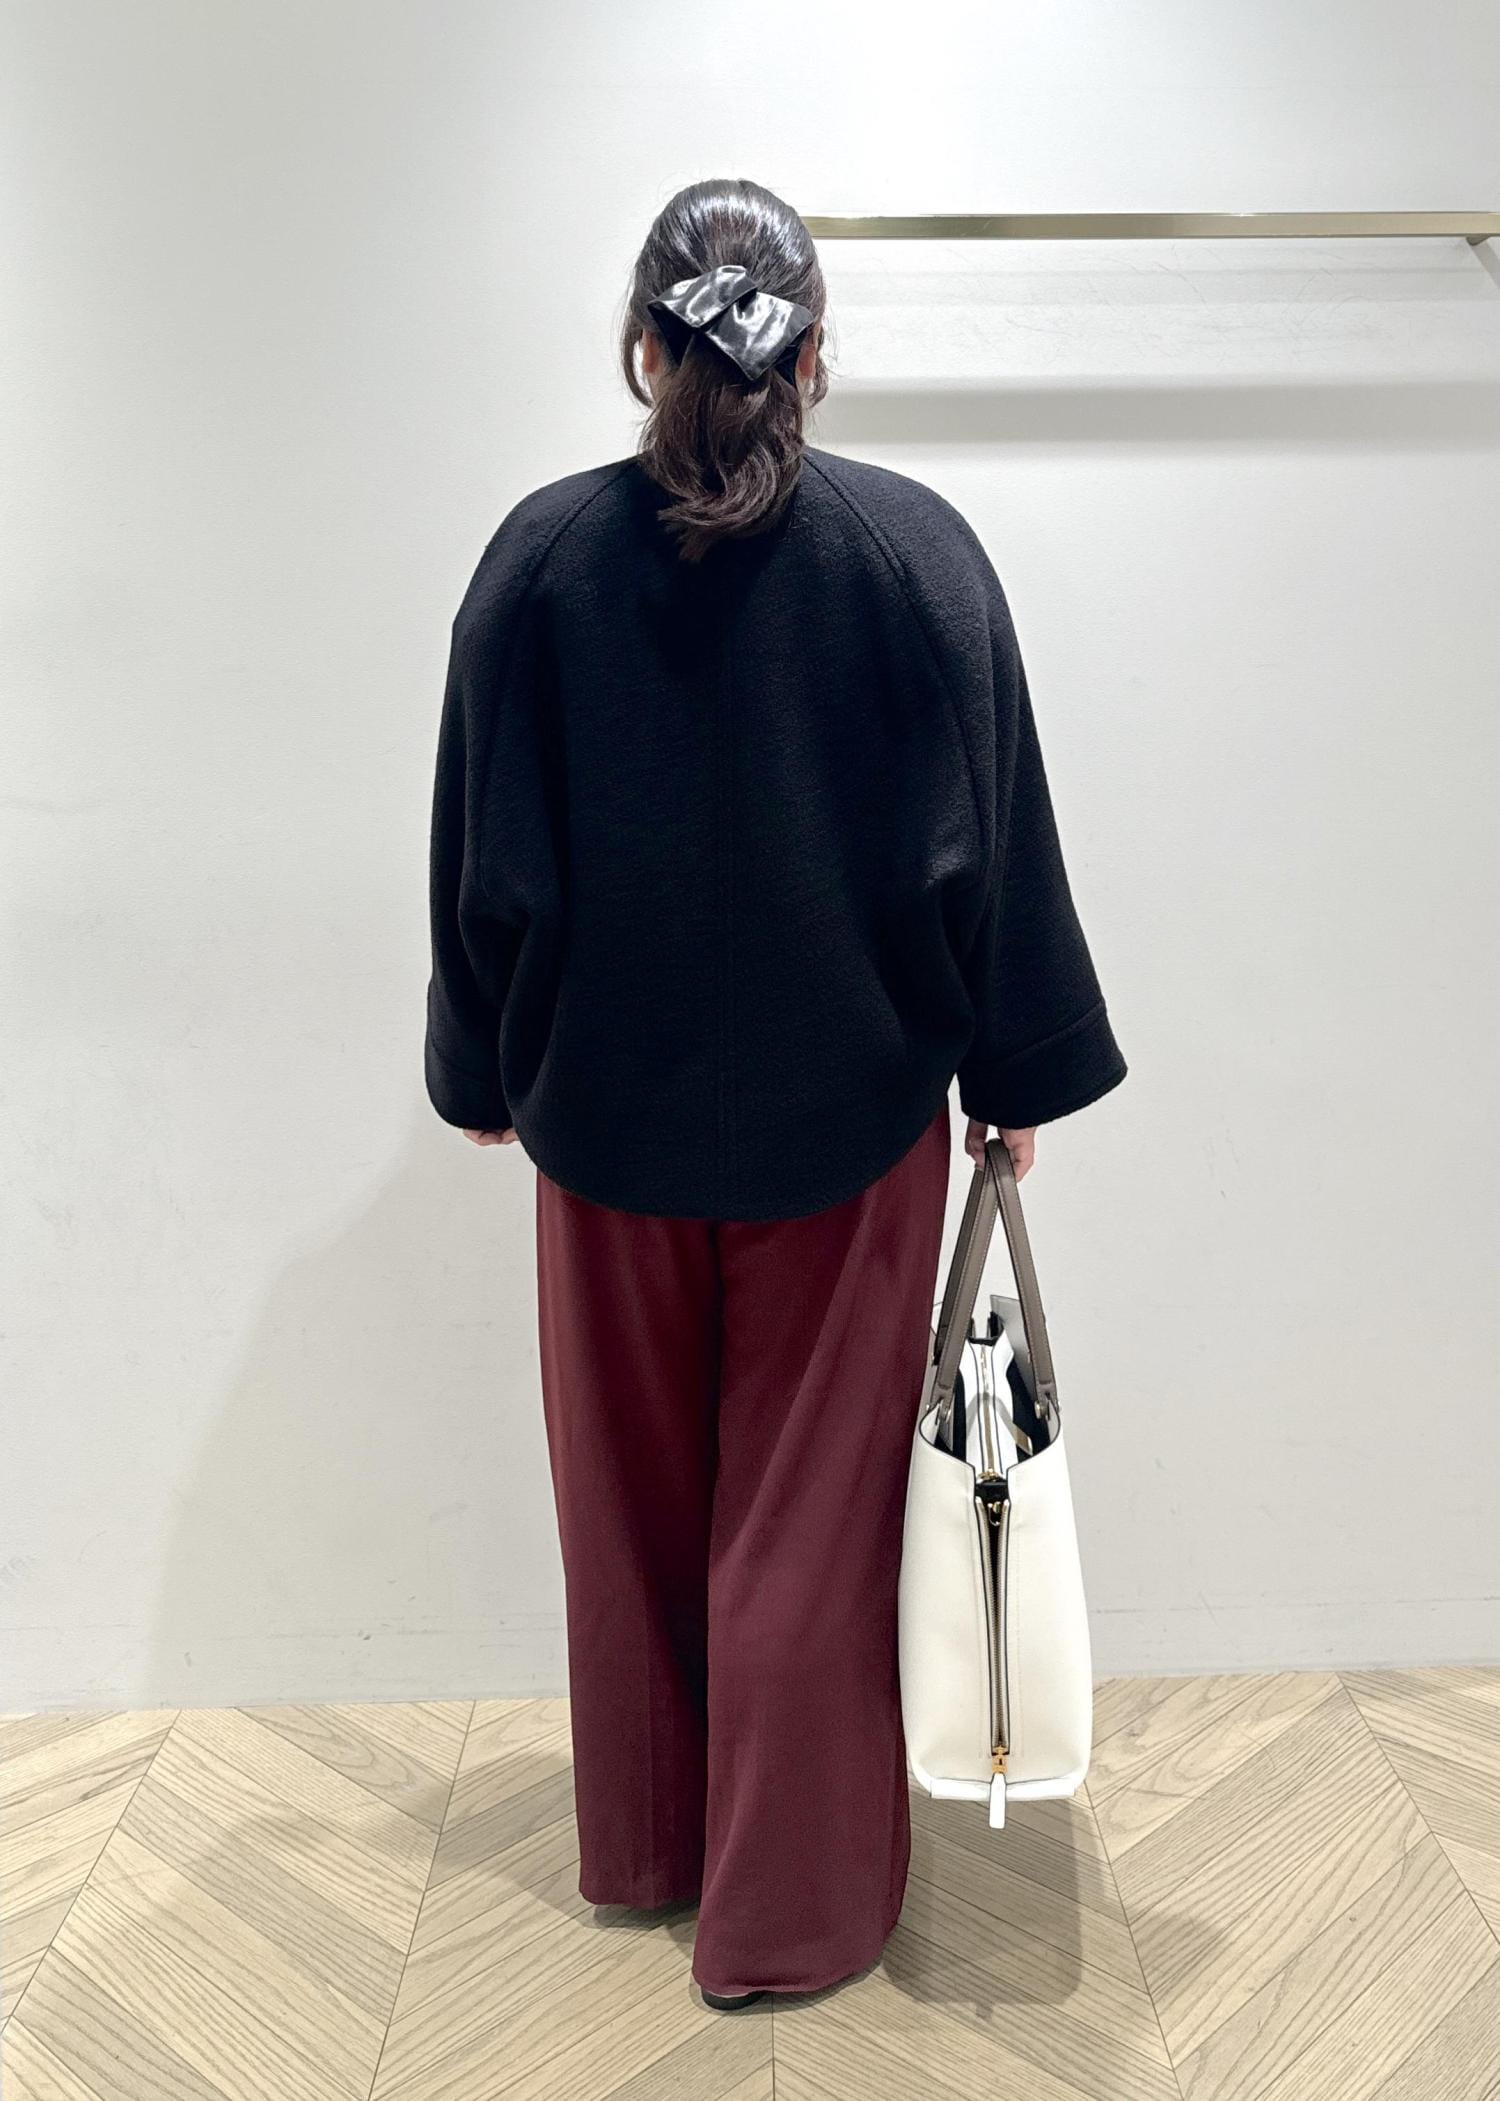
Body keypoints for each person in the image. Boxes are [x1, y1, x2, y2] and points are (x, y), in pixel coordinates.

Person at [423, 176, 1126, 2009]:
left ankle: (651, 1849)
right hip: (850, 1130)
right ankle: (786, 1916)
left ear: (638, 350)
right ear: (816, 355)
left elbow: (484, 853)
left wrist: (479, 1059)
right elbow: (999, 844)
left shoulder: (538, 564)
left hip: (604, 1131)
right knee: (809, 1523)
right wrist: (1017, 1068)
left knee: (628, 1508)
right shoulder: (915, 557)